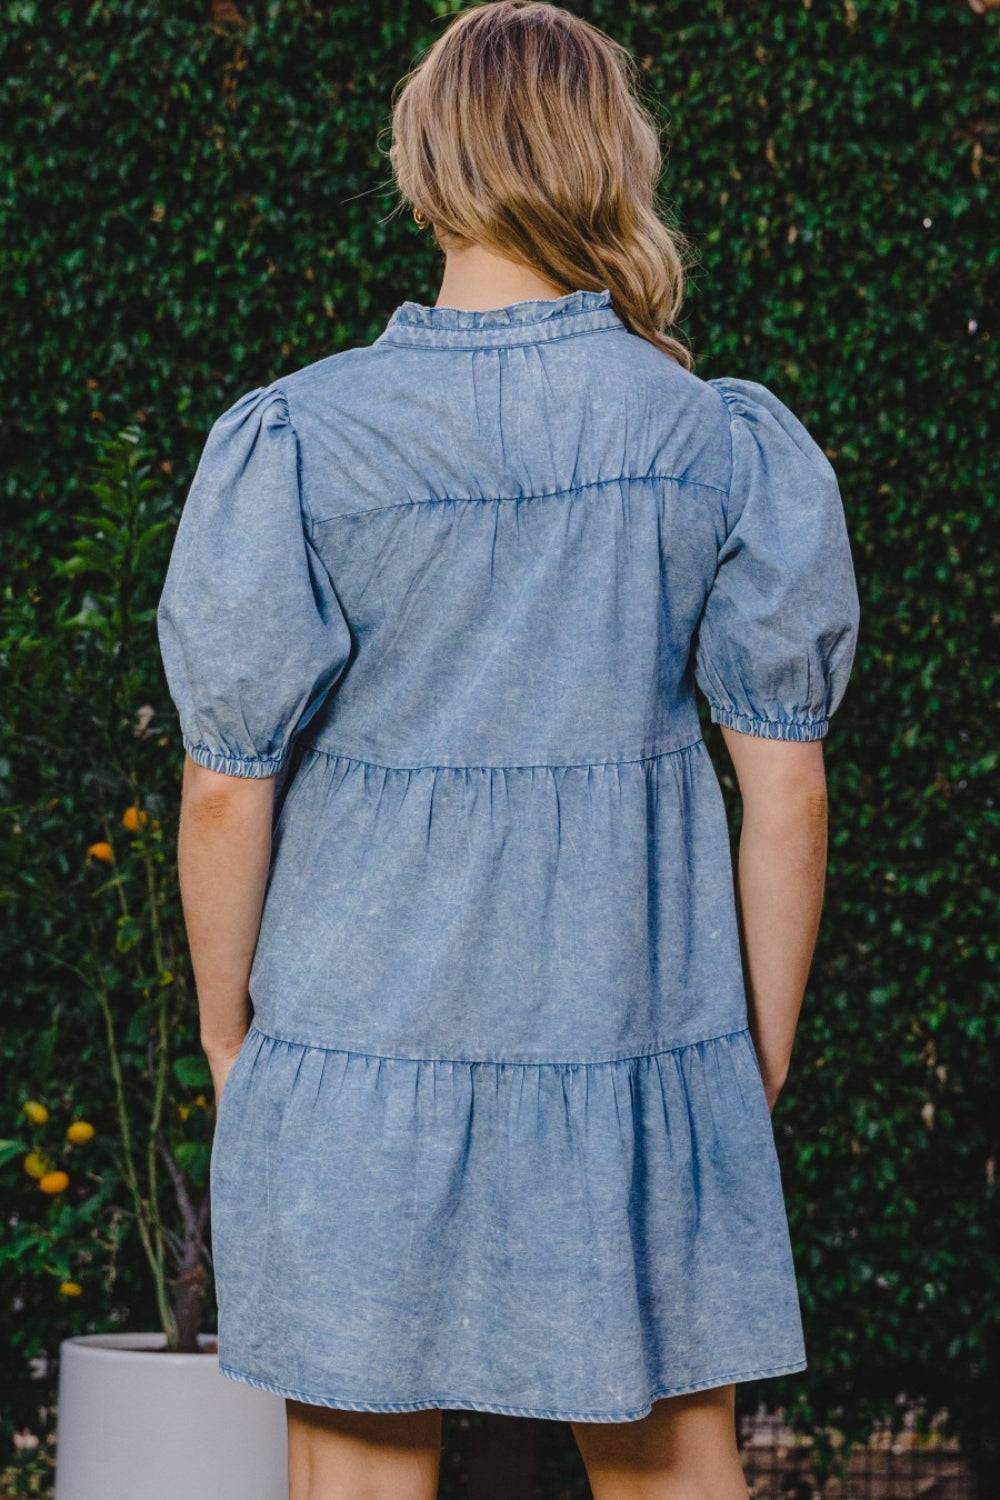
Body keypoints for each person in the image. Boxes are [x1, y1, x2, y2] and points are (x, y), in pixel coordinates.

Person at [156, 3, 861, 1496]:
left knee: (353, 1473)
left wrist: (232, 1038)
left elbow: (227, 785)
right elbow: (783, 783)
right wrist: (751, 1059)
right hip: (634, 1045)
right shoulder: (713, 438)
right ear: (611, 160)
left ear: (425, 166)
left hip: (353, 1049)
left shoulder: (305, 435)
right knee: (672, 1470)